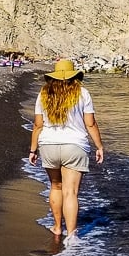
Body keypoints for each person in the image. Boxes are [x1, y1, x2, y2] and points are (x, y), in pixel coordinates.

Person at [29, 59, 104, 243]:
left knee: (56, 187)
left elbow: (38, 126)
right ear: (73, 75)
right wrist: (99, 146)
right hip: (75, 146)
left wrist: (33, 150)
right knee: (70, 192)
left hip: (48, 145)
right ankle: (71, 236)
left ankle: (57, 227)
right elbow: (90, 123)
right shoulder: (83, 93)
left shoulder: (44, 93)